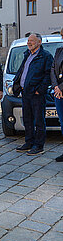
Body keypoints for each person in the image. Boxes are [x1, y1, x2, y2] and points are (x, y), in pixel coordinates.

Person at [14, 33, 53, 155]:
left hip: (36, 94)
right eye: (28, 41)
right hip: (25, 92)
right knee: (27, 119)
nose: (29, 43)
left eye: (31, 40)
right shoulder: (27, 55)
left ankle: (39, 145)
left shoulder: (45, 56)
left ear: (39, 42)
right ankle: (29, 142)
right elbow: (22, 71)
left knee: (39, 121)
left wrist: (40, 90)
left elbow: (49, 75)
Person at [51, 28, 63, 161]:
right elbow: (53, 68)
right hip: (59, 95)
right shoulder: (59, 50)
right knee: (62, 122)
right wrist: (55, 87)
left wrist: (60, 87)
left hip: (61, 90)